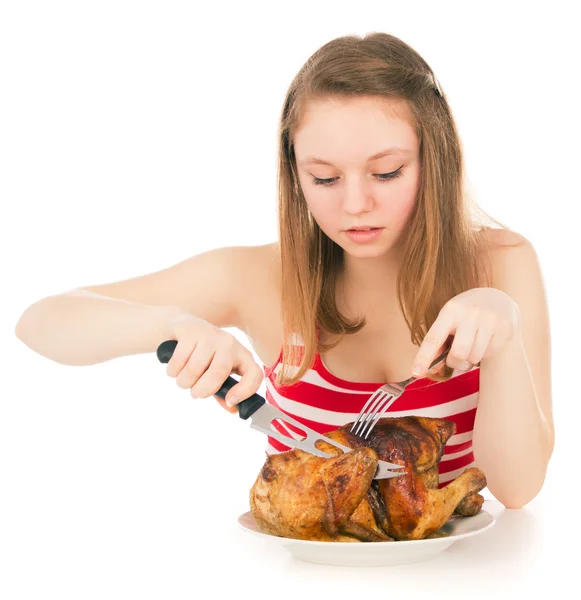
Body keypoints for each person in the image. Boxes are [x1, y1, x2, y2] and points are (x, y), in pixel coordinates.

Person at [14, 32, 553, 509]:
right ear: (294, 173)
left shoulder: (501, 264)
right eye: (324, 178)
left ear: (433, 160)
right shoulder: (259, 277)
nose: (356, 204)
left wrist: (503, 329)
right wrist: (168, 325)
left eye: (386, 172)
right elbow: (41, 322)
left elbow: (517, 489)